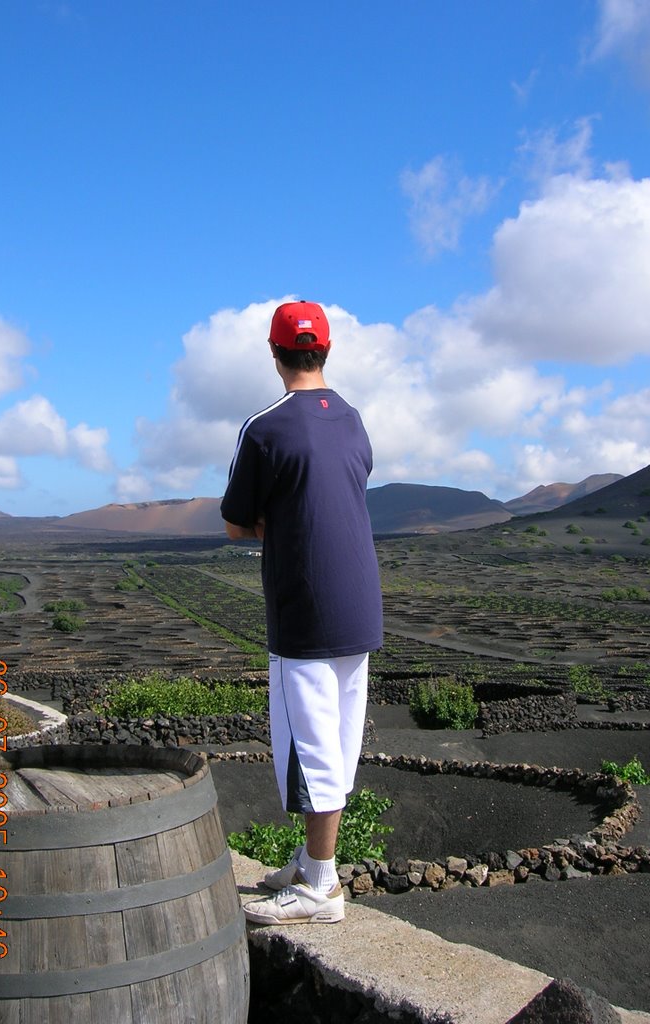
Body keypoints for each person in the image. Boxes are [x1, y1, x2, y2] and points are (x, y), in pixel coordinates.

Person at [221, 300, 383, 925]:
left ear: (274, 352)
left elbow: (236, 523)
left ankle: (320, 886)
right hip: (360, 602)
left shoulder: (265, 428)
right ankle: (312, 861)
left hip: (304, 605)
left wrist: (268, 520)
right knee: (339, 739)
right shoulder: (353, 419)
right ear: (327, 350)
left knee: (310, 744)